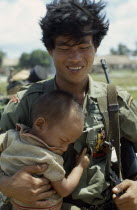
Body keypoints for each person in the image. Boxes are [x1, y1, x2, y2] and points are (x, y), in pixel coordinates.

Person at [0, 0, 137, 209]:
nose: (76, 58)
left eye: (84, 47)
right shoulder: (25, 103)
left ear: (96, 47)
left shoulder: (114, 101)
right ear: (50, 50)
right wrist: (7, 185)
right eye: (65, 47)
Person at [0, 90, 89, 210]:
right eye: (63, 140)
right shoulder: (48, 159)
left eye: (70, 143)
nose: (65, 148)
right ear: (40, 124)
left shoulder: (12, 136)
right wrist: (80, 166)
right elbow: (64, 190)